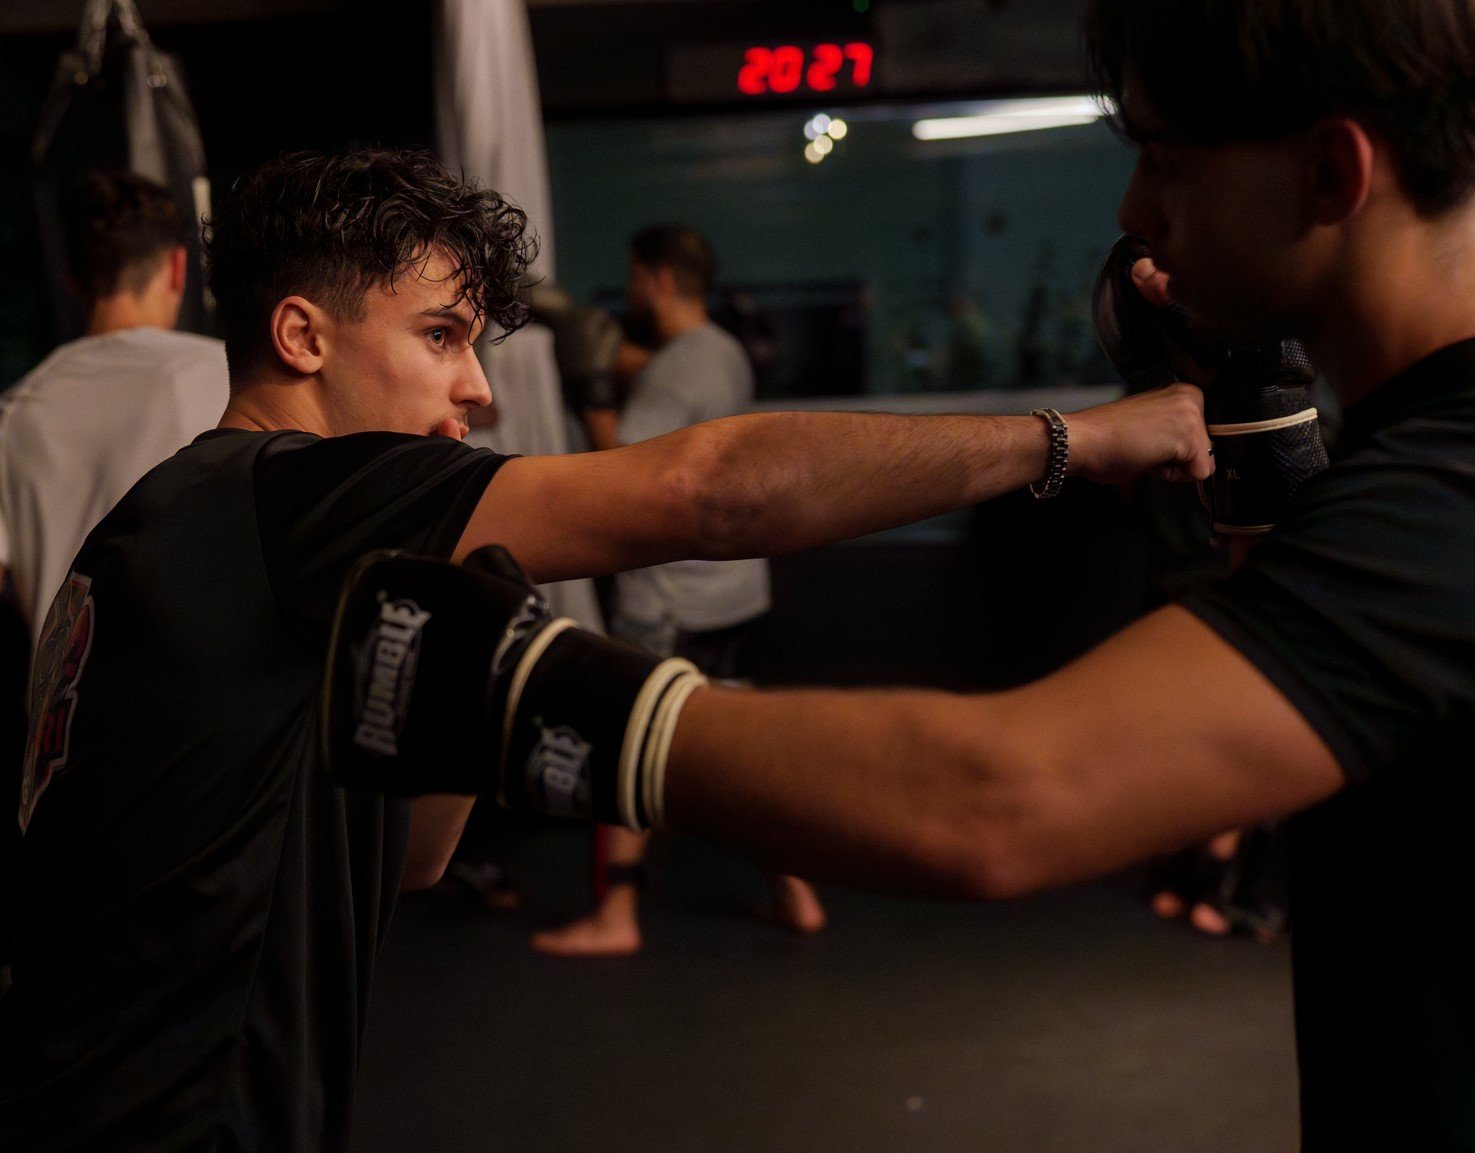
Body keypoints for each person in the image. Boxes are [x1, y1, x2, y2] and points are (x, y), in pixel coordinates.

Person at [332, 2, 1475, 1147]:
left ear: (1330, 172)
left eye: (1166, 163)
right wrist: (1249, 390)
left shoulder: (1447, 488)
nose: (1135, 213)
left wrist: (524, 689)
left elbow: (999, 799)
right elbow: (1295, 652)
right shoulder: (1404, 452)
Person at [0, 147, 1209, 1153]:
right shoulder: (282, 494)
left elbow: (416, 858)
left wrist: (468, 596)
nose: (475, 388)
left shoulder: (185, 515)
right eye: (441, 336)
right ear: (302, 336)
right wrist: (1076, 441)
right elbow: (710, 491)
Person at [533, 225, 824, 957]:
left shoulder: (673, 370)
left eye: (634, 276)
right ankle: (797, 890)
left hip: (671, 600)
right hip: (732, 592)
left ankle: (616, 916)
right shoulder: (718, 350)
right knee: (744, 751)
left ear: (658, 278)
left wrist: (590, 387)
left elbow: (629, 479)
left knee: (624, 741)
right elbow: (673, 387)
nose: (629, 291)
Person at [0, 170, 229, 653]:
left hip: (60, 717)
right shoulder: (231, 376)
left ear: (73, 284)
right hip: (196, 706)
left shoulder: (15, 412)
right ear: (178, 269)